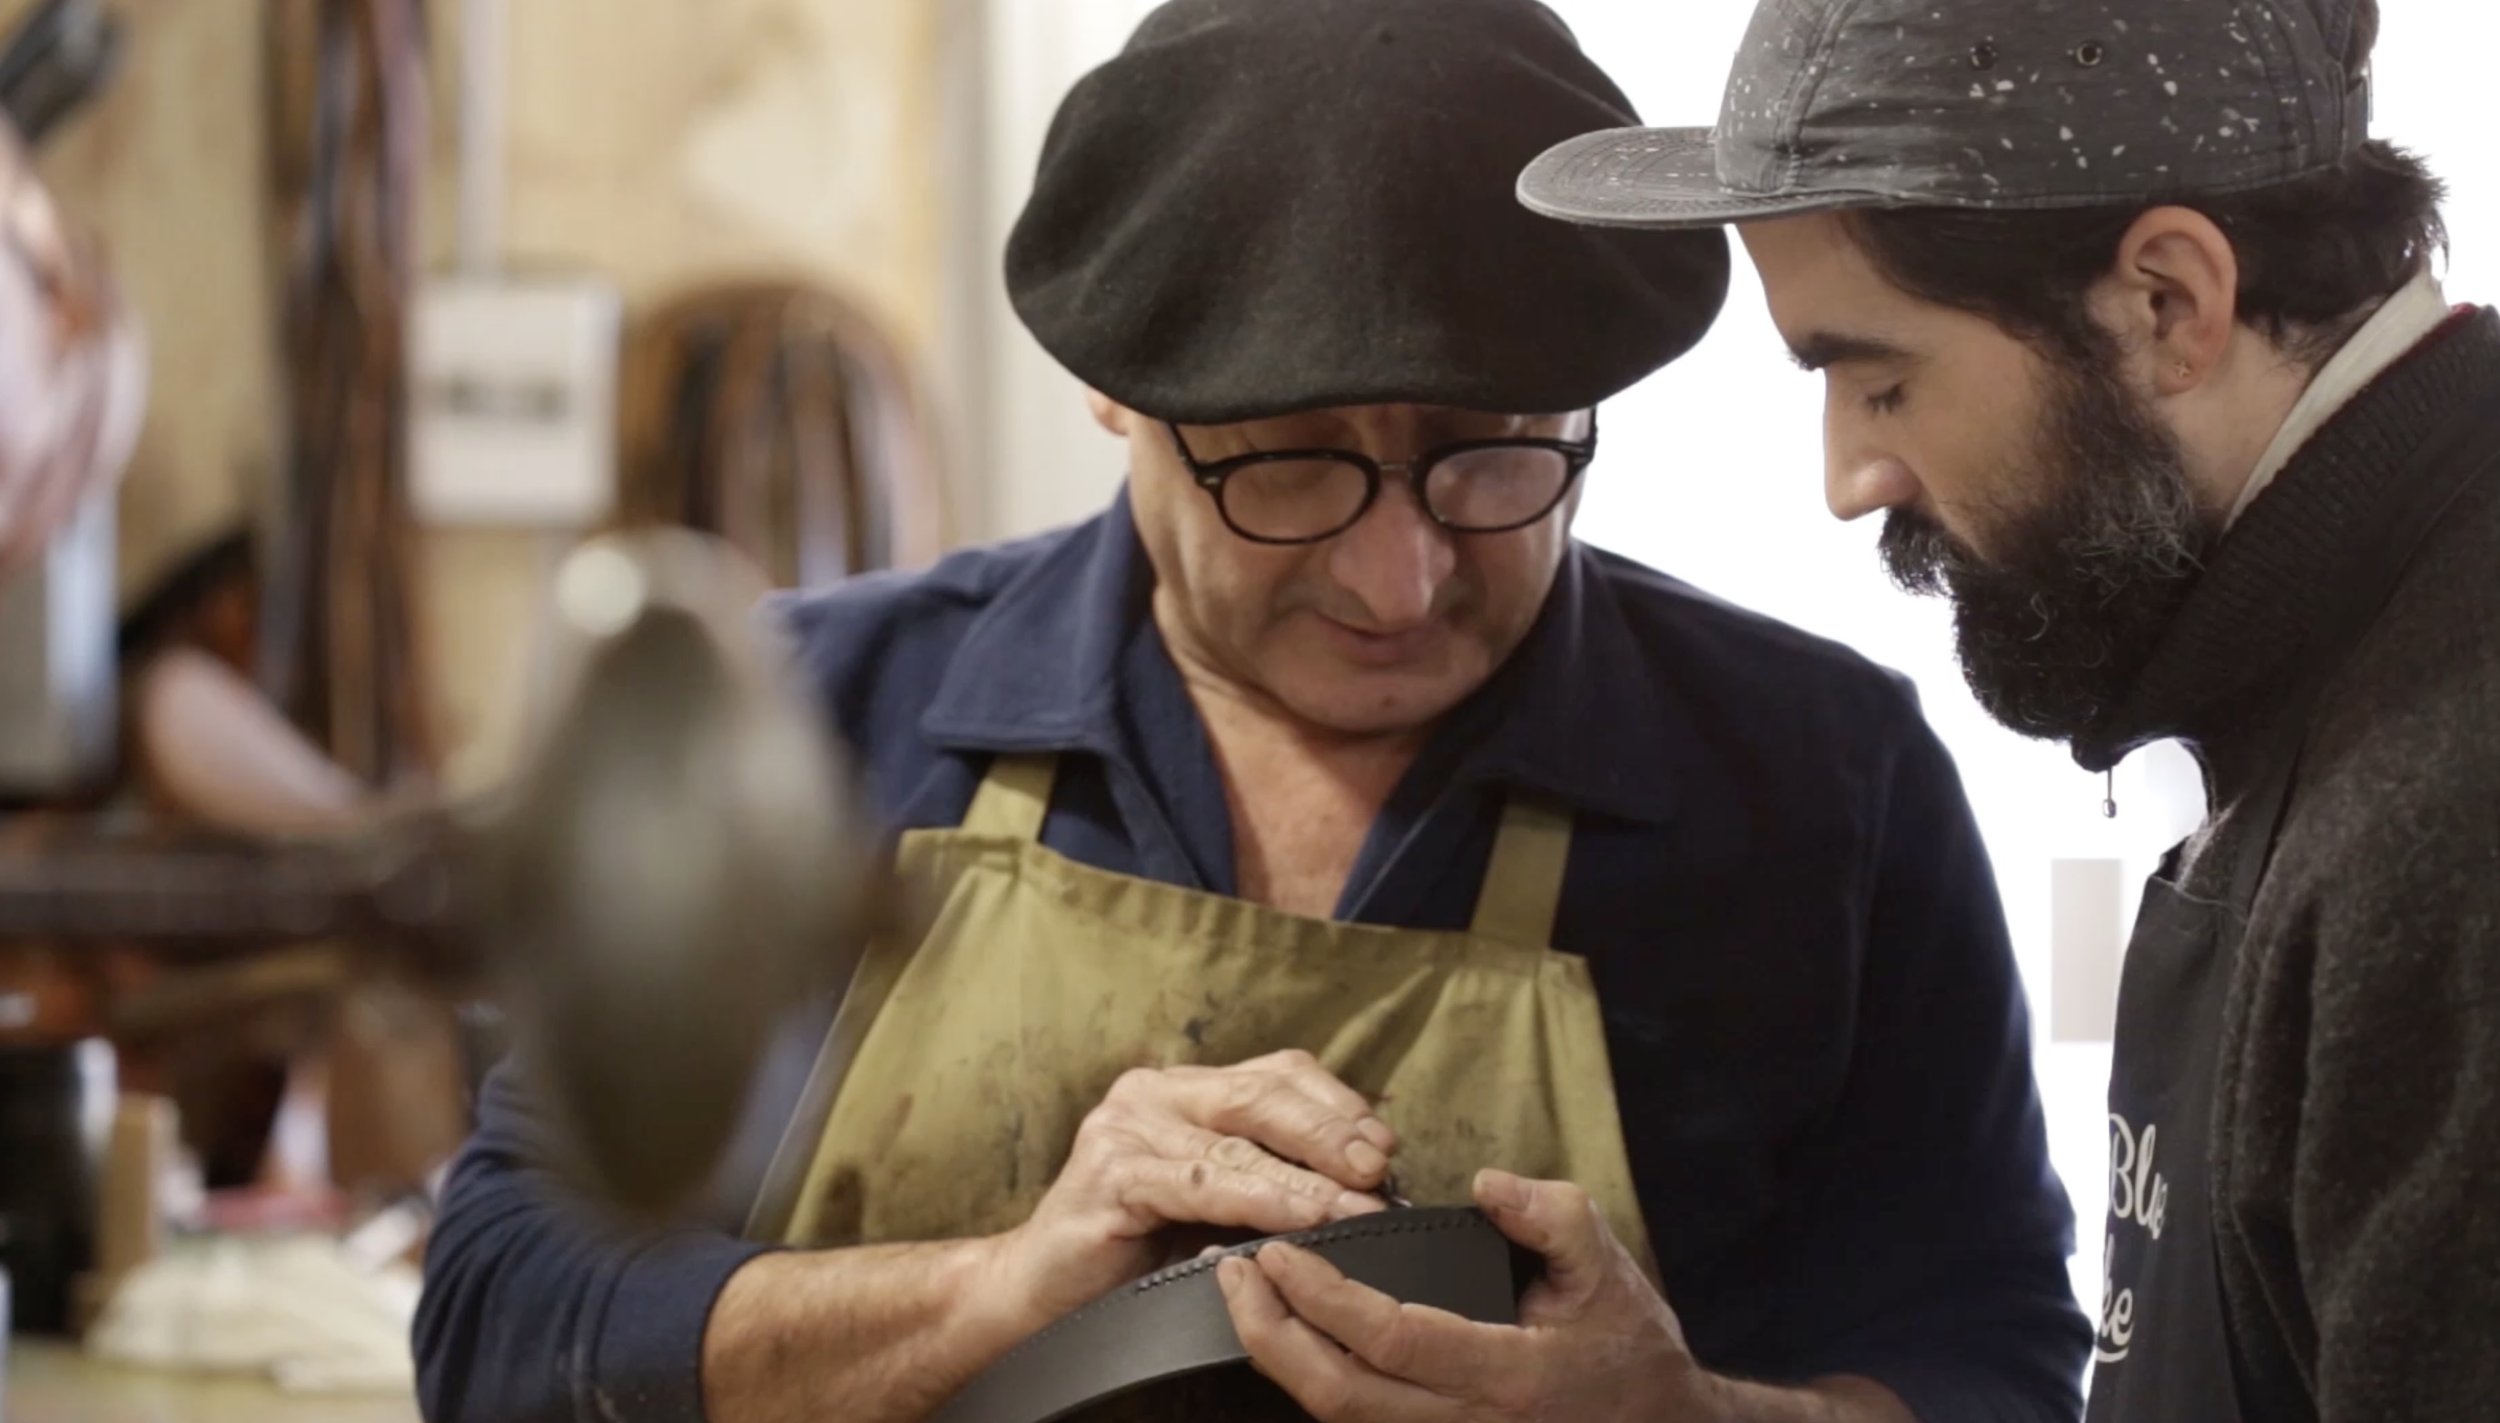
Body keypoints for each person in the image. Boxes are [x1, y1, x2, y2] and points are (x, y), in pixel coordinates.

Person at [415, 3, 2089, 1420]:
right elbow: (500, 1317)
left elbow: (1994, 1365)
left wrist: (1693, 1416)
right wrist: (1001, 1287)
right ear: (1113, 393)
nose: (1399, 577)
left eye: (1488, 455)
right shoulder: (808, 723)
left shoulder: (1821, 784)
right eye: (1291, 467)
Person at [1519, 1, 2500, 1419]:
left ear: (2168, 301)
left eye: (1881, 379)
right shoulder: (2328, 658)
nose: (1851, 475)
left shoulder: (2451, 822)